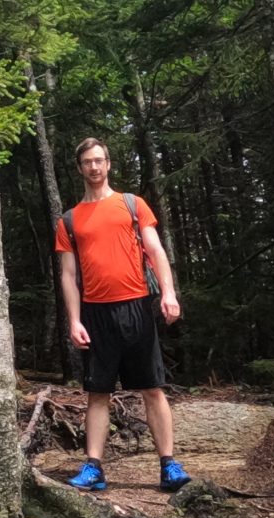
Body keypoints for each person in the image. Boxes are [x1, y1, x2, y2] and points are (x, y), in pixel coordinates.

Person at [55, 136, 189, 493]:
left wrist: (169, 293)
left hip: (137, 307)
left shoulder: (132, 204)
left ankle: (169, 465)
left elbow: (155, 250)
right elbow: (69, 275)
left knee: (152, 388)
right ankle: (94, 468)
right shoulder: (69, 220)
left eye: (99, 160)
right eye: (87, 162)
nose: (94, 167)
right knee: (97, 392)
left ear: (109, 164)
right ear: (80, 168)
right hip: (96, 314)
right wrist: (74, 320)